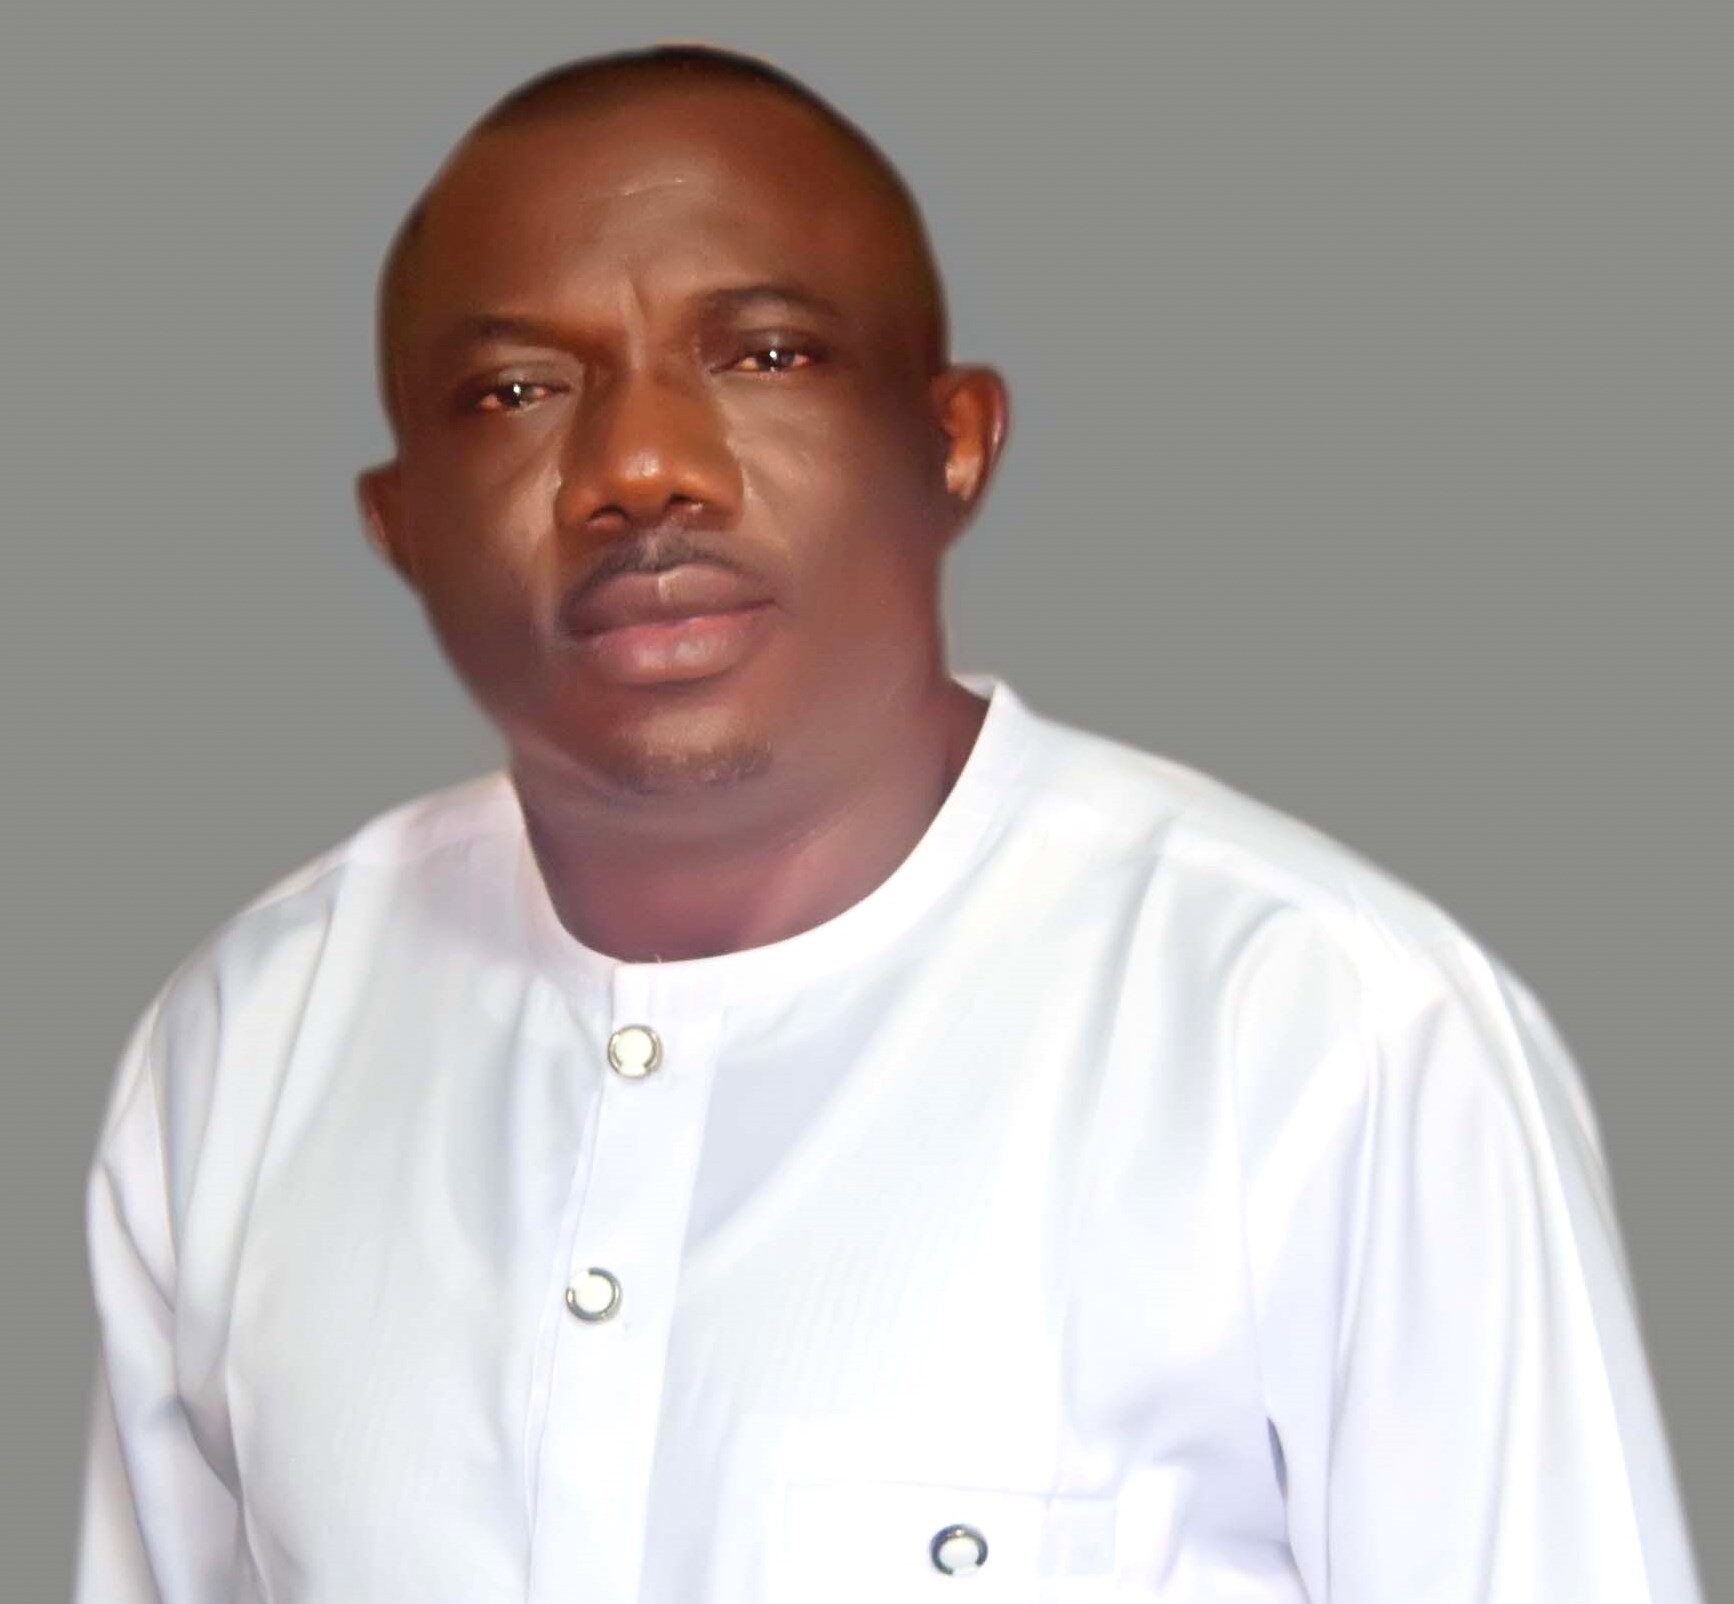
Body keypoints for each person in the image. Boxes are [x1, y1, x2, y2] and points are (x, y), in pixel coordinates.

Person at [74, 42, 1703, 1604]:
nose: (638, 467)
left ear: (952, 442)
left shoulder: (1313, 1031)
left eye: (765, 355)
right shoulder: (252, 1048)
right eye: (514, 389)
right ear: (398, 524)